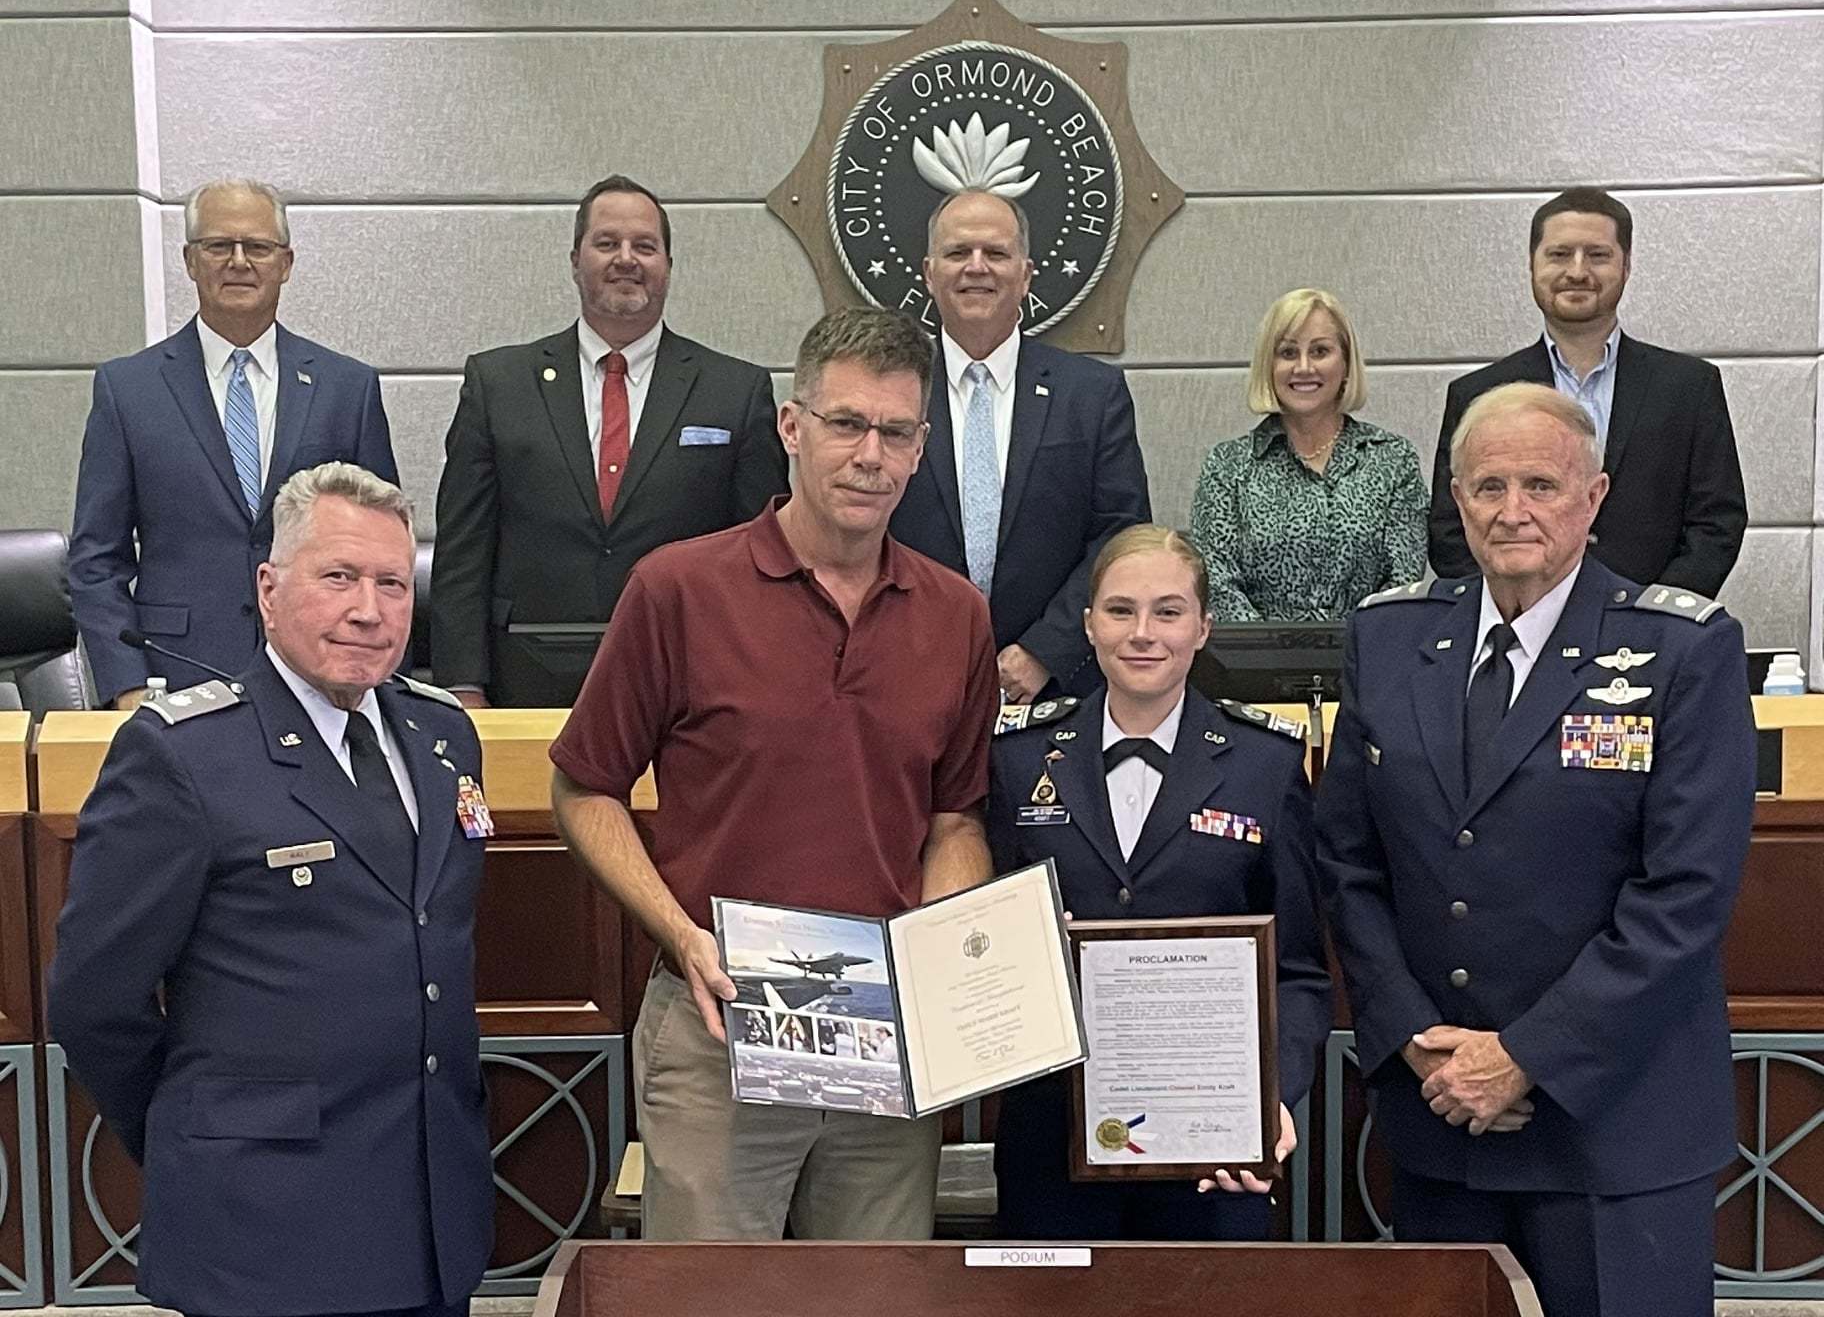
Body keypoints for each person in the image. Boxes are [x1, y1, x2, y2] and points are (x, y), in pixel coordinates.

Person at [548, 306, 999, 1240]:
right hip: (721, 1027)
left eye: (896, 432)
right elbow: (585, 786)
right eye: (845, 424)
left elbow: (955, 819)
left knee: (873, 1311)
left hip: (883, 1039)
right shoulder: (677, 589)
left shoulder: (956, 615)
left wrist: (937, 959)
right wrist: (679, 934)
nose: (869, 454)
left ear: (921, 449)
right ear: (792, 428)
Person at [1318, 382, 1754, 1316]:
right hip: (1442, 1124)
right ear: (1455, 499)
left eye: (1541, 486)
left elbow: (1684, 893)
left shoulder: (1680, 652)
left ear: (1593, 499)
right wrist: (1420, 1046)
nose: (1512, 511)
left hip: (1615, 1134)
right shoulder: (1389, 640)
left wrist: (1524, 1057)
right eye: (1487, 487)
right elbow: (1350, 865)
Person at [49, 462, 494, 1317]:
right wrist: (197, 1130)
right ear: (268, 588)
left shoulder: (443, 737)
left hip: (432, 1213)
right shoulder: (184, 756)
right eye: (338, 577)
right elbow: (93, 999)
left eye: (392, 584)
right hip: (263, 1225)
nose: (369, 610)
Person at [988, 524, 1331, 1239]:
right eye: (1120, 610)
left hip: (1214, 1144)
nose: (1143, 633)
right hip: (1053, 1137)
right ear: (1088, 626)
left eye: (1168, 612)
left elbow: (1299, 971)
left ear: (1204, 628)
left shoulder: (1265, 766)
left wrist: (1271, 1097)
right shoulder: (1020, 760)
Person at [431, 173, 788, 707]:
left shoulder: (735, 391)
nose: (626, 258)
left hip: (687, 683)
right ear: (575, 261)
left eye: (645, 246)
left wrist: (754, 683)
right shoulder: (498, 385)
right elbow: (463, 552)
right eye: (607, 243)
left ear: (669, 265)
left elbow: (759, 556)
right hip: (526, 679)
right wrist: (463, 685)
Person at [70, 178, 397, 708]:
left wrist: (363, 670)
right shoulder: (128, 390)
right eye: (218, 246)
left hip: (318, 678)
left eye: (258, 247)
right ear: (189, 261)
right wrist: (126, 685)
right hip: (174, 678)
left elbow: (379, 549)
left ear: (285, 263)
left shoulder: (348, 388)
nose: (239, 261)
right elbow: (96, 560)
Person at [890, 189, 1151, 701]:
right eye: (958, 253)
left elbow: (1120, 537)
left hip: (1058, 691)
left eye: (996, 253)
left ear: (1027, 275)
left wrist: (1046, 650)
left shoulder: (1092, 395)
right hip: (907, 681)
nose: (977, 267)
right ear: (928, 272)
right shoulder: (893, 390)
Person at [1427, 188, 1746, 597]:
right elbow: (1450, 527)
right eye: (1559, 255)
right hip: (1519, 632)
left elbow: (1717, 522)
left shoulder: (1689, 387)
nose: (1577, 271)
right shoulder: (1480, 394)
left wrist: (1652, 613)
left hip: (1651, 633)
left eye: (1597, 255)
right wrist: (1518, 607)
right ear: (1531, 265)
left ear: (1626, 266)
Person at [1189, 289, 1427, 621]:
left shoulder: (1392, 459)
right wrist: (1272, 651)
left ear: (1345, 363)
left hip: (1369, 662)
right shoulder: (1228, 467)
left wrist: (1358, 649)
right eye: (1287, 352)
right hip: (1252, 667)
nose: (1303, 367)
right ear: (1268, 366)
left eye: (1320, 351)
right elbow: (1216, 582)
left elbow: (1403, 579)